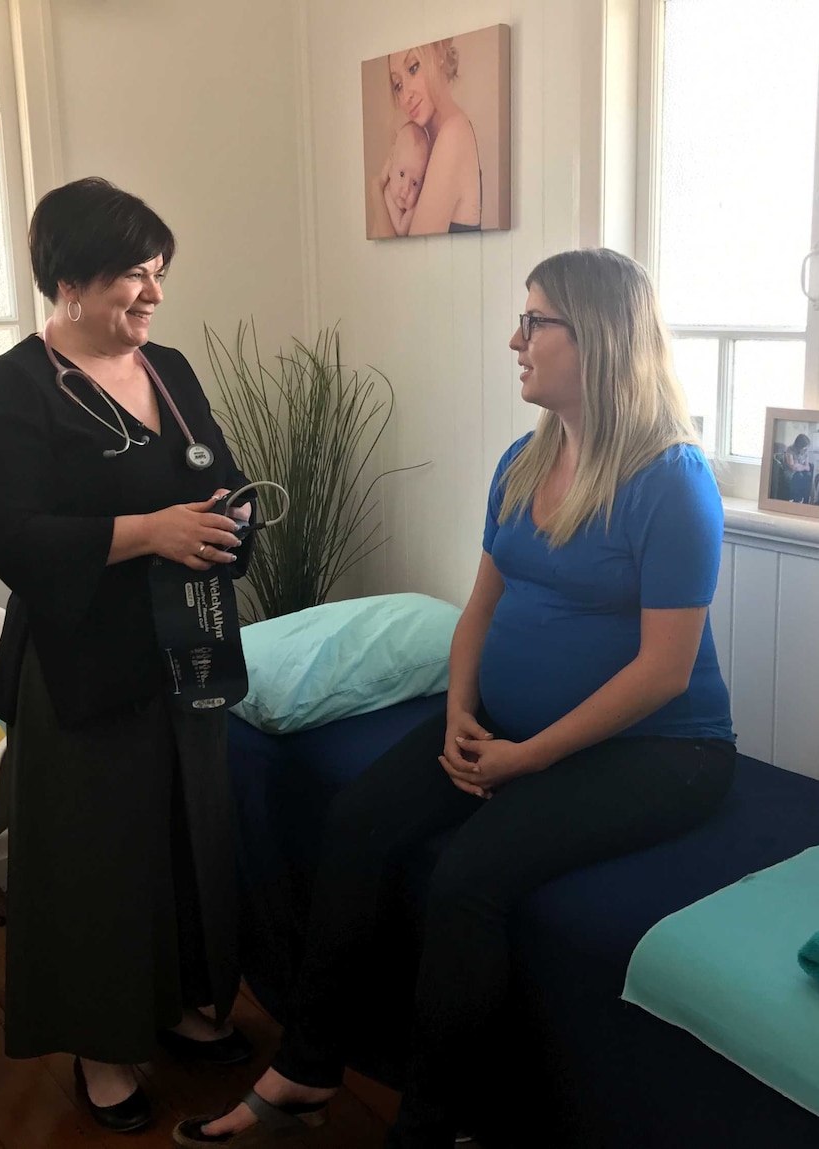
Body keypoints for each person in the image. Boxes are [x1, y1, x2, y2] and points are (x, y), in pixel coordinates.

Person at [172, 248, 736, 1149]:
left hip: (661, 751)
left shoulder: (673, 482)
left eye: (535, 321)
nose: (515, 338)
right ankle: (307, 1070)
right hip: (506, 724)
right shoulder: (524, 459)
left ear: (594, 338)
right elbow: (481, 605)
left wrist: (527, 758)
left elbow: (664, 671)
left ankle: (434, 1128)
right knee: (360, 818)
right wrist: (461, 712)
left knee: (470, 877)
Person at [0, 177, 258, 1133]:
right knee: (99, 860)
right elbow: (9, 535)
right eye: (135, 274)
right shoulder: (7, 393)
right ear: (72, 280)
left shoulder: (168, 367)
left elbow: (218, 473)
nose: (154, 294)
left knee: (185, 834)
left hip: (189, 652)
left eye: (159, 272)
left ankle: (176, 1004)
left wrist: (232, 520)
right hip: (86, 665)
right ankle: (102, 1045)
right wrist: (149, 533)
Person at [370, 38, 482, 237]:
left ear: (439, 52)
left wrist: (376, 192)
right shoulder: (429, 144)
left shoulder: (453, 135)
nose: (405, 97)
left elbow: (407, 256)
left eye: (413, 68)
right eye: (398, 85)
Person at [382, 121, 432, 237]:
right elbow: (401, 230)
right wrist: (415, 206)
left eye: (414, 183)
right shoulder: (387, 194)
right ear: (390, 169)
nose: (406, 190)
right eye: (402, 174)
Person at [783, 432, 812, 502]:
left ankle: (806, 501)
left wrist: (798, 465)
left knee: (808, 475)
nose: (806, 449)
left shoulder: (805, 452)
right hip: (790, 472)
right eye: (804, 447)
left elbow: (807, 467)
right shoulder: (790, 450)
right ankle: (797, 500)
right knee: (799, 476)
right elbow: (792, 466)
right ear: (799, 446)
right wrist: (801, 466)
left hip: (800, 471)